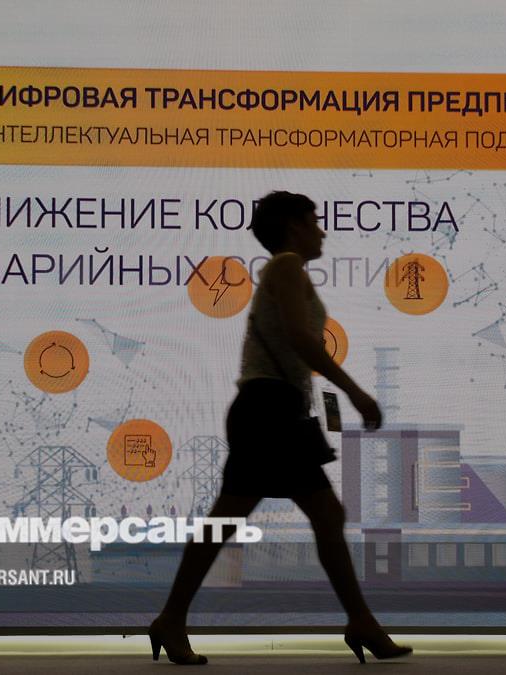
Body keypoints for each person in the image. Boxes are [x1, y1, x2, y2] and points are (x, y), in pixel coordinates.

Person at [149, 191, 412, 665]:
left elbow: (295, 342)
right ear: (294, 226)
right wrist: (354, 391)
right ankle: (361, 623)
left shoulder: (287, 269)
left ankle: (172, 619)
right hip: (269, 410)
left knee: (276, 517)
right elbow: (300, 338)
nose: (322, 230)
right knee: (308, 516)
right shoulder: (287, 266)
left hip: (271, 409)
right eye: (314, 220)